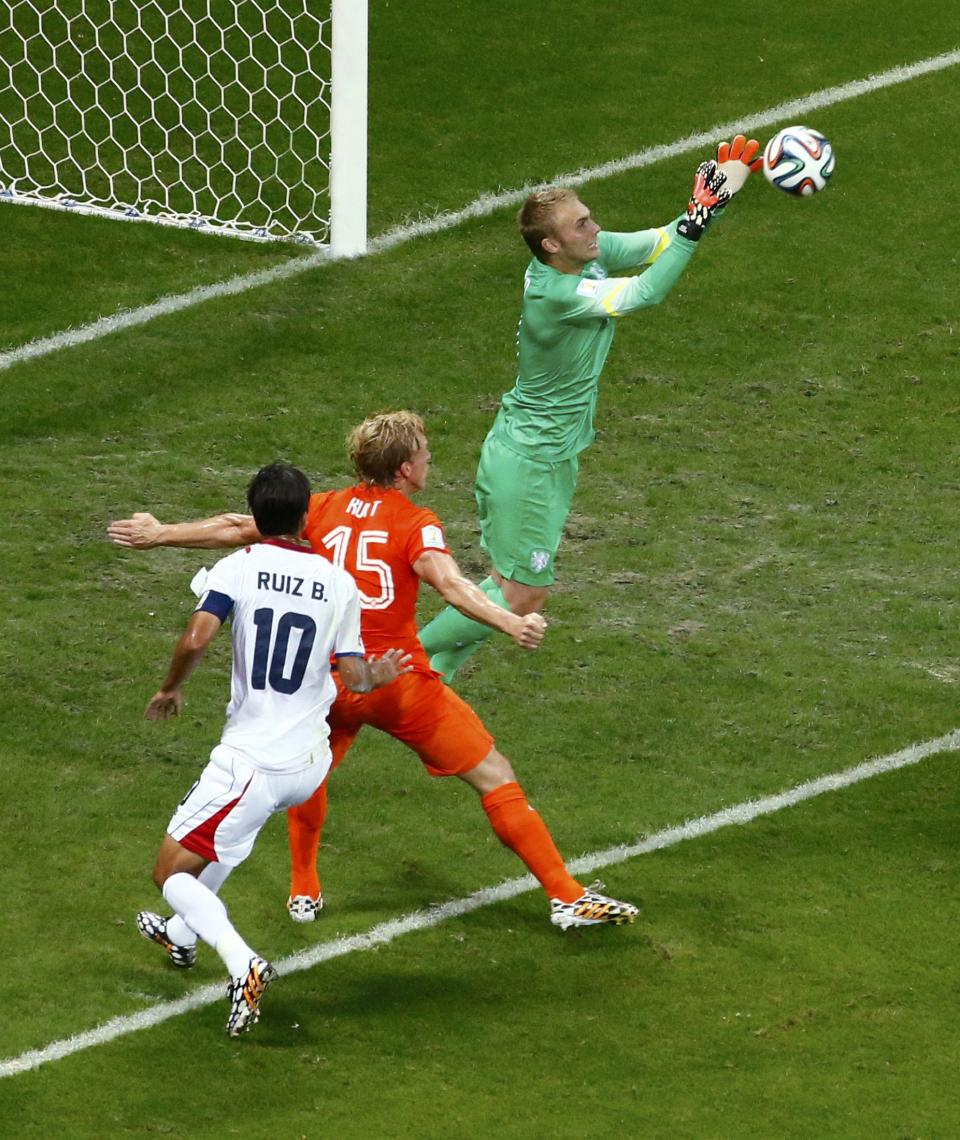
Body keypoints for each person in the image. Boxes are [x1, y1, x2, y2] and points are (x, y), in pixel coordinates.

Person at [109, 411, 638, 932]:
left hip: (329, 684)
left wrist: (161, 534)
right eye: (424, 453)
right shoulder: (415, 523)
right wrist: (508, 621)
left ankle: (304, 887)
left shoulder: (321, 508)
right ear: (405, 468)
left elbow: (235, 527)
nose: (430, 459)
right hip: (394, 682)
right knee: (494, 775)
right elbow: (452, 586)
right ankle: (565, 896)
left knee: (308, 772)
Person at [419, 137, 763, 678]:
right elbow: (642, 295)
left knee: (511, 586)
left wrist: (709, 205)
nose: (595, 228)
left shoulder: (590, 257)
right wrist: (695, 224)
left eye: (589, 216)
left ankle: (429, 679)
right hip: (529, 463)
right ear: (552, 247)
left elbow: (659, 243)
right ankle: (402, 658)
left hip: (548, 455)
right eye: (580, 224)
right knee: (527, 595)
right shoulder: (554, 295)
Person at [133, 461, 410, 1037]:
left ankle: (243, 962)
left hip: (252, 760)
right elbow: (354, 679)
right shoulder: (340, 583)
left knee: (170, 873)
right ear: (306, 517)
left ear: (254, 516)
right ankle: (182, 935)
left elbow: (196, 636)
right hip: (310, 764)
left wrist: (170, 688)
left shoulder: (239, 566)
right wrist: (380, 676)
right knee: (229, 839)